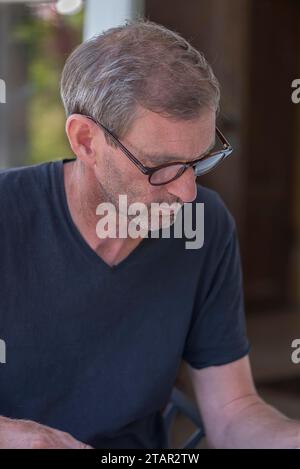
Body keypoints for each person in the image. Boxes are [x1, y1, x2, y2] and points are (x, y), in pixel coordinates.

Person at [0, 20, 299, 449]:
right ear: (86, 141)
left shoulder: (206, 228)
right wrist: (15, 437)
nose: (187, 191)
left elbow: (234, 414)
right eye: (161, 166)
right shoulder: (9, 215)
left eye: (198, 161)